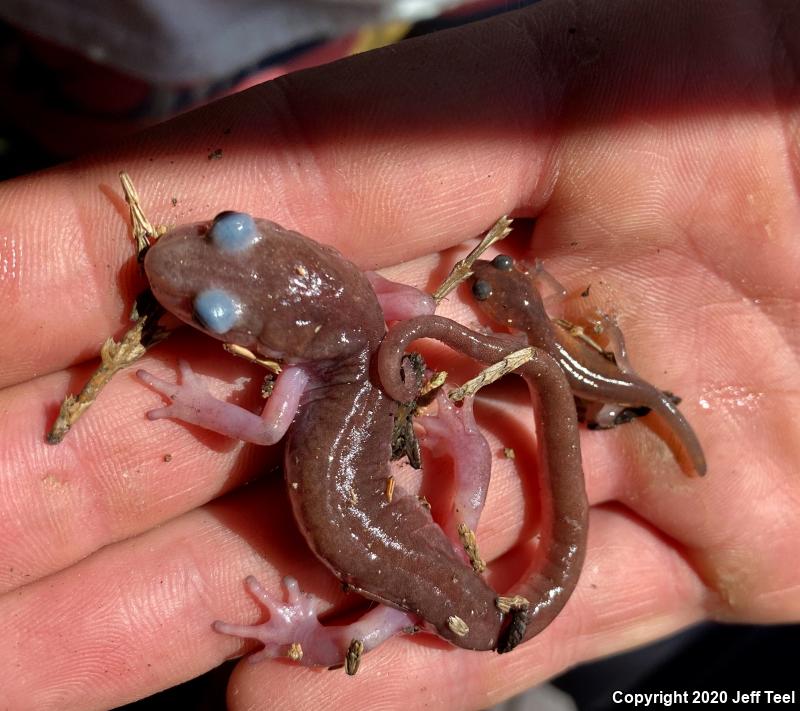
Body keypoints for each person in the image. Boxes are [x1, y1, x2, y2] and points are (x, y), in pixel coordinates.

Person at [1, 0, 798, 708]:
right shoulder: (383, 311)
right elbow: (408, 315)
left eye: (214, 309)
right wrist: (458, 440)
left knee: (380, 618)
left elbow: (270, 428)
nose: (189, 249)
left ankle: (321, 634)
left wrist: (308, 626)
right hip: (430, 535)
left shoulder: (339, 355)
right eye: (226, 228)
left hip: (418, 597)